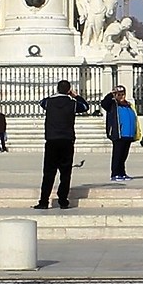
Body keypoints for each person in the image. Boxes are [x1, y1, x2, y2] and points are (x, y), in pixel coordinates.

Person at [36, 79, 89, 208]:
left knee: (48, 173)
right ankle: (63, 200)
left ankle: (44, 201)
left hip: (52, 140)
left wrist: (56, 94)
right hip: (67, 140)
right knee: (65, 173)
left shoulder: (49, 102)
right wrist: (75, 96)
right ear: (69, 90)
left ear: (58, 89)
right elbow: (86, 107)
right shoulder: (72, 103)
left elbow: (41, 102)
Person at [105, 85, 137, 182]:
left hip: (128, 134)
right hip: (119, 134)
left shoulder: (128, 104)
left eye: (123, 94)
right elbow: (104, 103)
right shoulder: (113, 105)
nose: (122, 96)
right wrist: (111, 95)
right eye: (119, 94)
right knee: (117, 155)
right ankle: (115, 174)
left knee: (124, 155)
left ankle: (122, 173)